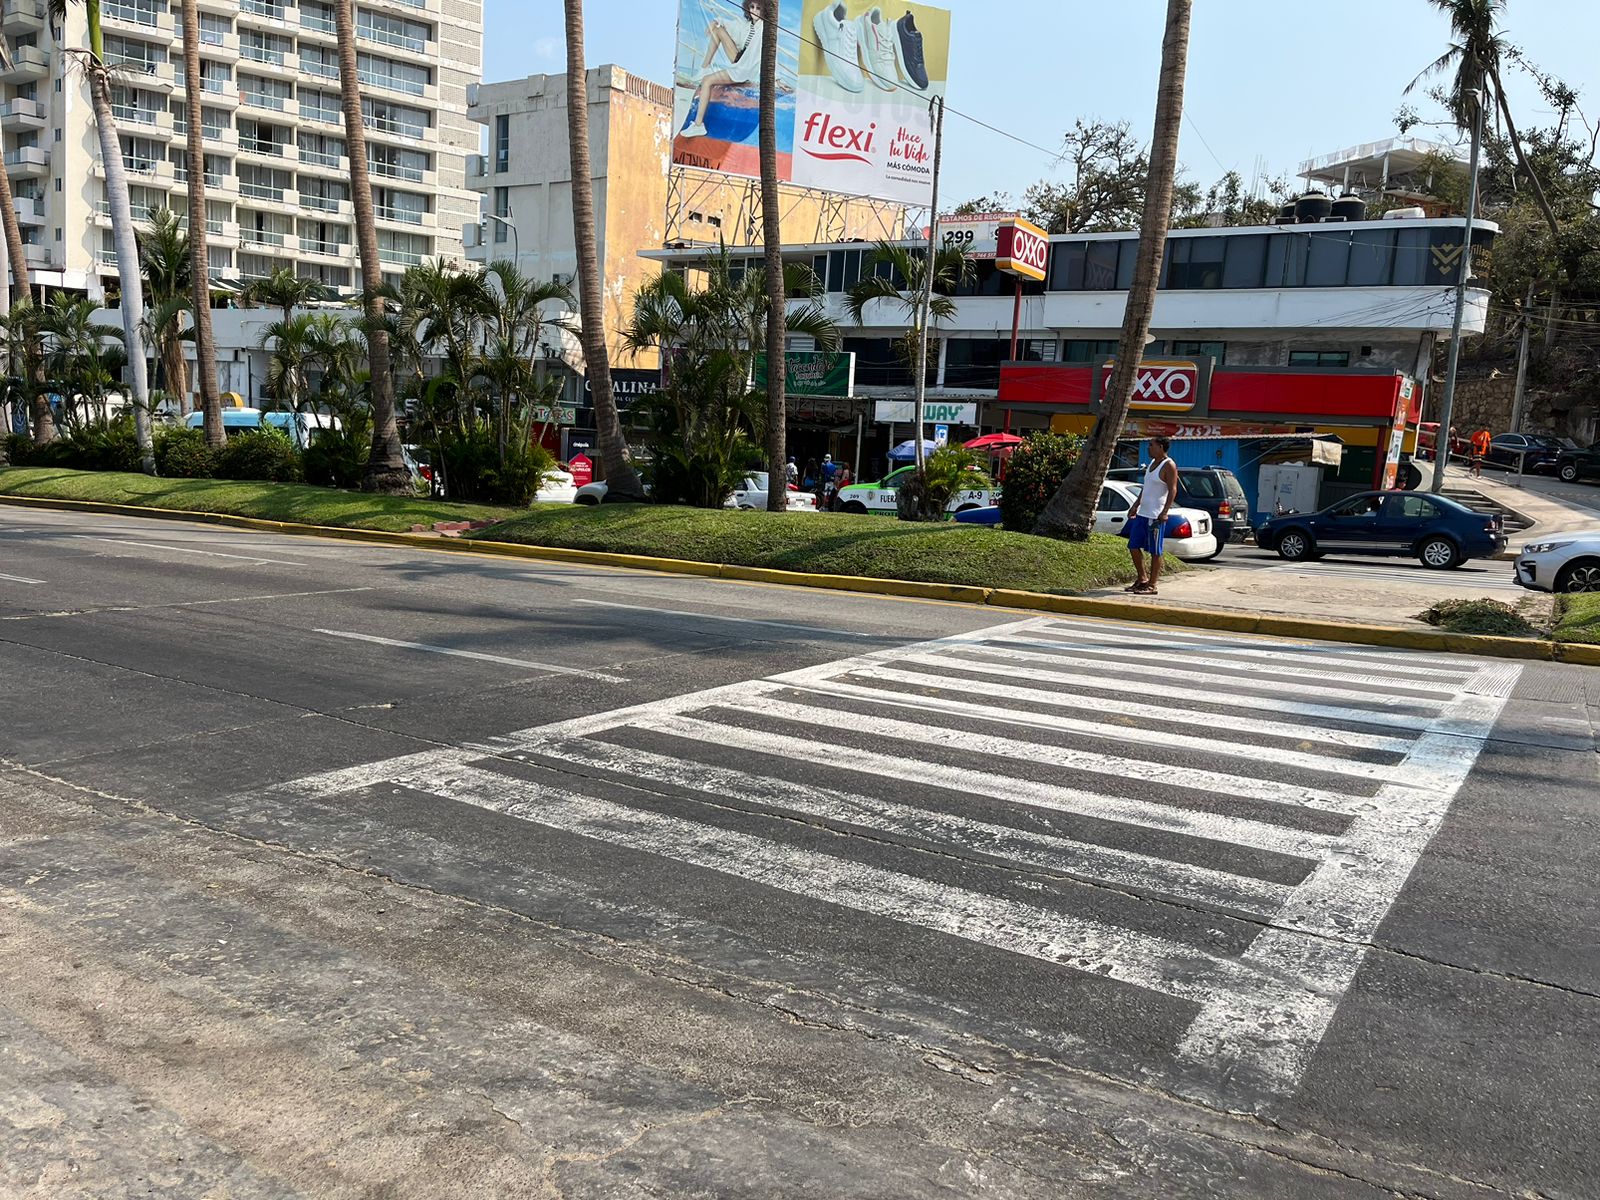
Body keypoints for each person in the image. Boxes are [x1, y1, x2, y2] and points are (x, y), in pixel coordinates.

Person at [676, 0, 763, 139]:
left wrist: (775, 79)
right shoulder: (747, 25)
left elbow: (770, 54)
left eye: (758, 8)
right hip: (739, 59)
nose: (754, 11)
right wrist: (715, 21)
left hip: (743, 69)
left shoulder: (763, 28)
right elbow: (730, 25)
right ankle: (704, 67)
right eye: (752, 7)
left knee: (707, 81)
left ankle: (698, 125)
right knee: (718, 30)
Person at [1124, 436, 1179, 596]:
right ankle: (1142, 579)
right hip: (1142, 513)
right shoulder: (1151, 464)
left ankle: (1152, 584)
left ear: (1161, 447)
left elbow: (1173, 489)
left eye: (1151, 445)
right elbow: (1146, 488)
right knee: (1133, 546)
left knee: (1155, 551)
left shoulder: (1168, 465)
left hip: (1155, 516)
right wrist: (1135, 505)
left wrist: (1165, 512)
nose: (1148, 448)